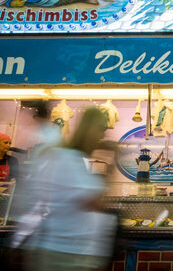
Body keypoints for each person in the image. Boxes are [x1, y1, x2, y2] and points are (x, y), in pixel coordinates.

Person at [26, 107, 118, 271]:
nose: (103, 135)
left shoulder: (74, 158)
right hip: (64, 254)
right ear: (89, 129)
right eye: (101, 129)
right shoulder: (70, 159)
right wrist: (109, 162)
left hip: (72, 251)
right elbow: (94, 202)